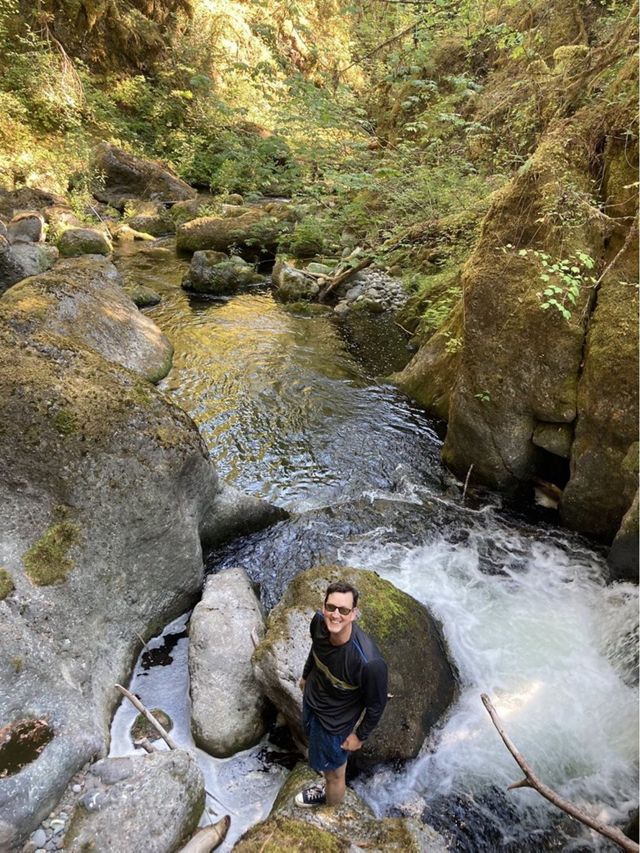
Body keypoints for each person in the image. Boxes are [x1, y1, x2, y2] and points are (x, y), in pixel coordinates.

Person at [295, 580, 388, 808]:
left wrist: (360, 736)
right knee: (322, 762)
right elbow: (316, 649)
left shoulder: (368, 663)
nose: (335, 615)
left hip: (335, 724)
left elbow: (376, 704)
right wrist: (306, 676)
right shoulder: (318, 622)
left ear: (354, 614)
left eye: (344, 610)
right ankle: (324, 784)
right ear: (324, 606)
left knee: (335, 775)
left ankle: (330, 811)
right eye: (331, 607)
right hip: (313, 703)